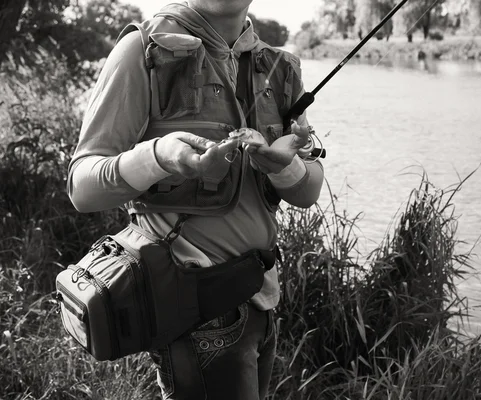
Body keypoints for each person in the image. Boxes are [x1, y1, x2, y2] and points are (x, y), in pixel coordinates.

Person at [67, 0, 325, 399]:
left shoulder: (280, 67)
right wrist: (160, 156)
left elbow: (308, 193)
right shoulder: (141, 50)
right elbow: (82, 187)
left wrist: (281, 166)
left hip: (262, 301)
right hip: (194, 308)